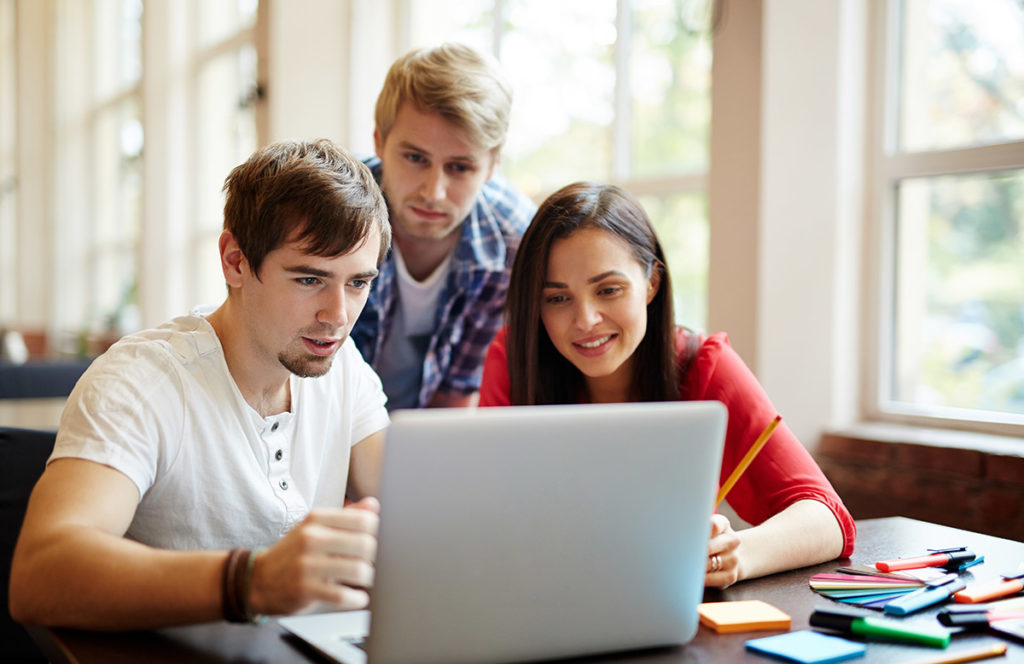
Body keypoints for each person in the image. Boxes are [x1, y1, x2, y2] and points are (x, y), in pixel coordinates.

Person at [10, 139, 391, 630]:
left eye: (358, 283)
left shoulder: (345, 367)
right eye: (308, 279)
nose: (338, 316)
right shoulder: (139, 382)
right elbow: (40, 576)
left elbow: (418, 514)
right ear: (235, 261)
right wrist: (251, 581)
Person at [478, 182, 856, 589]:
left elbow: (829, 519)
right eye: (557, 299)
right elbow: (483, 517)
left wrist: (736, 555)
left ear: (652, 284)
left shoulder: (703, 366)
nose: (585, 319)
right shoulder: (512, 361)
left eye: (608, 290)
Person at [352, 43, 537, 410]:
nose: (433, 193)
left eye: (459, 167)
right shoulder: (327, 210)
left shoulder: (514, 242)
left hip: (422, 435)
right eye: (415, 158)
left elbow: (456, 394)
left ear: (492, 164)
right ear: (380, 141)